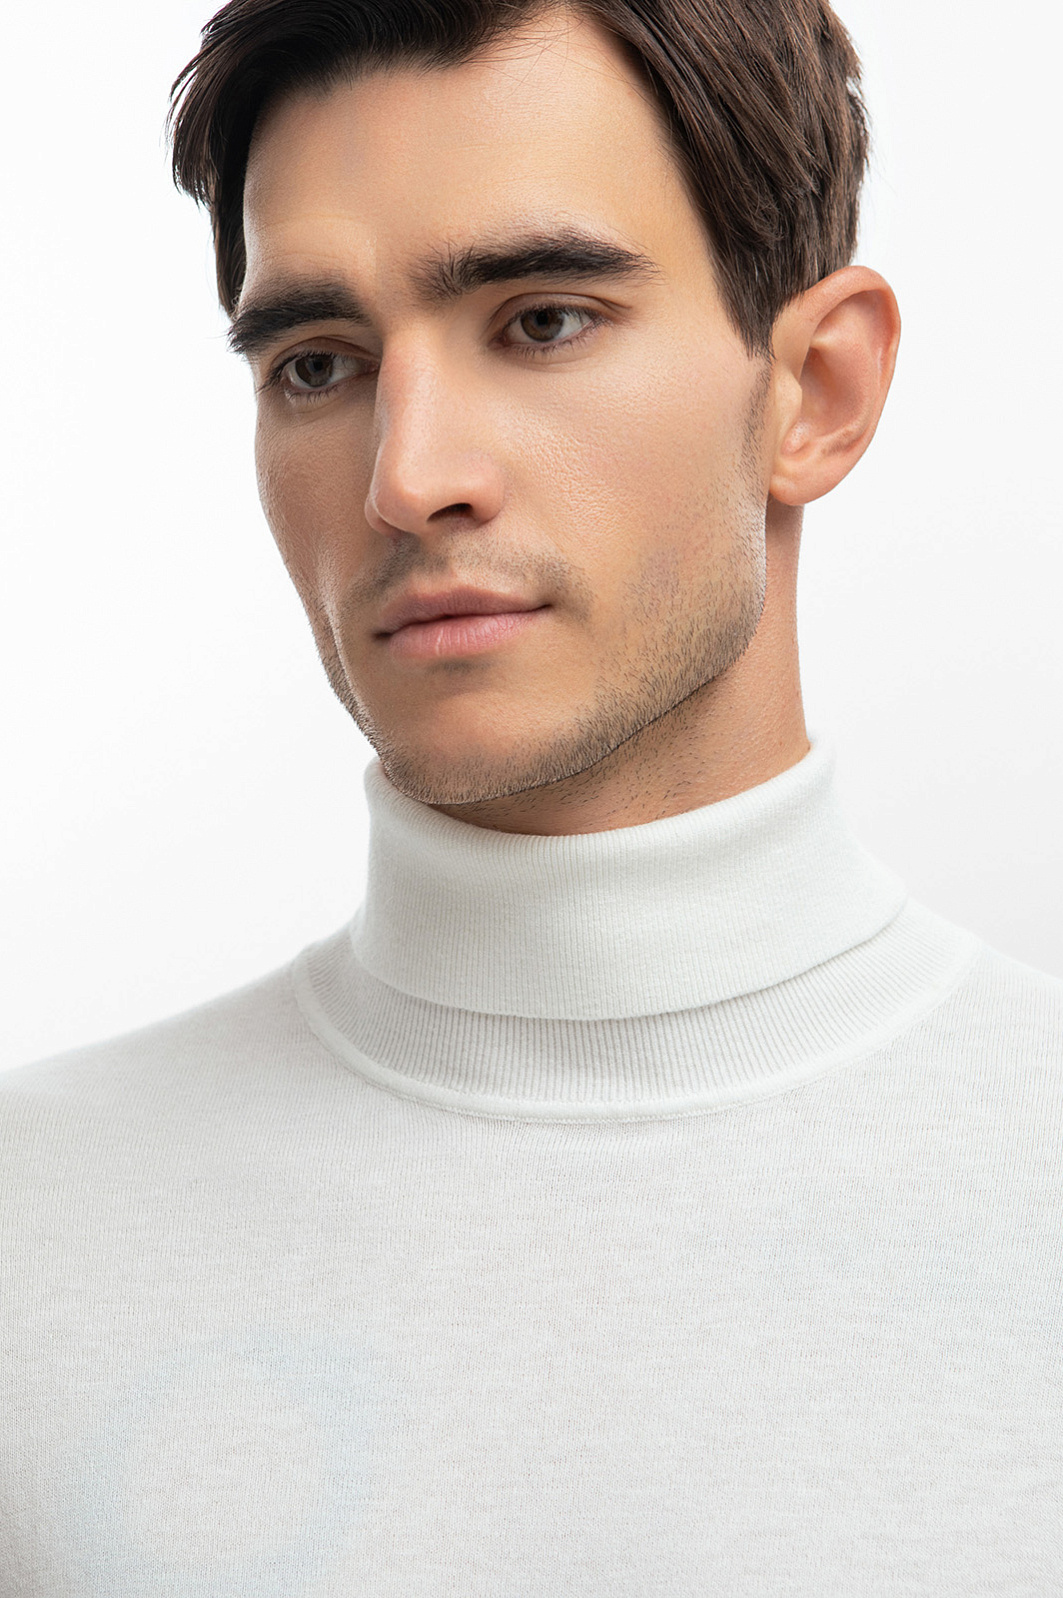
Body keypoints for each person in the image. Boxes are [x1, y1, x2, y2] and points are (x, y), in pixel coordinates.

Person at [1, 0, 1059, 1590]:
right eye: (318, 363)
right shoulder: (32, 1234)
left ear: (818, 390)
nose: (407, 475)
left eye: (543, 320)